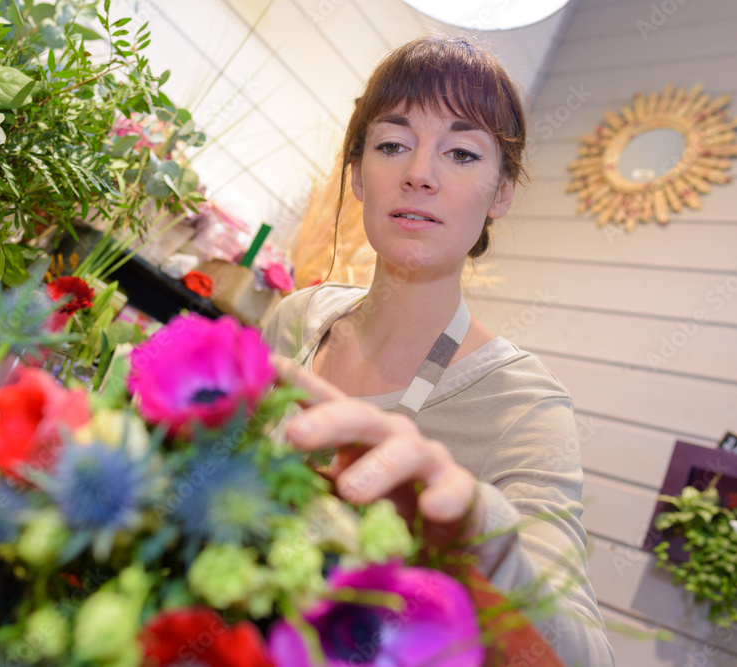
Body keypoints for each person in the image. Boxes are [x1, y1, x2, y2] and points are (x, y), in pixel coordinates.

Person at [262, 36, 615, 666]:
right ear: (356, 176)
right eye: (393, 144)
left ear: (501, 194)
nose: (419, 173)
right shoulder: (296, 320)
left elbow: (586, 656)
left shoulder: (524, 409)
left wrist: (481, 534)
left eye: (460, 152)